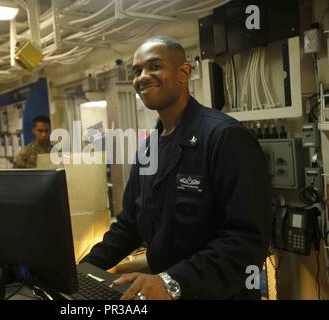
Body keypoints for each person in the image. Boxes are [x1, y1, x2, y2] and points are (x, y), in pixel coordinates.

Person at [81, 36, 272, 300]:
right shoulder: (150, 148)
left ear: (184, 73)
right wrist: (83, 270)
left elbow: (246, 239)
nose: (142, 77)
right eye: (137, 71)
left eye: (154, 67)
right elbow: (129, 225)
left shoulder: (224, 137)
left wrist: (171, 282)